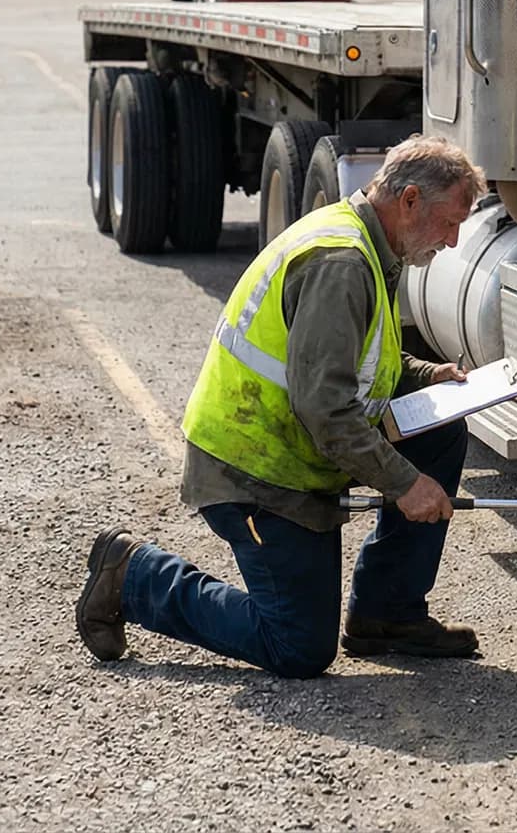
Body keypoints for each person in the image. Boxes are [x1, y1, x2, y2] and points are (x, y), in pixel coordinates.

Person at [77, 135, 486, 677]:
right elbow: (326, 410)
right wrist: (406, 485)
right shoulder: (341, 263)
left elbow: (359, 362)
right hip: (256, 470)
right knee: (298, 646)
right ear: (409, 200)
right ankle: (134, 577)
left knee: (439, 425)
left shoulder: (373, 243)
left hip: (295, 449)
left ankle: (387, 615)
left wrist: (427, 376)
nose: (454, 242)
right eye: (450, 221)